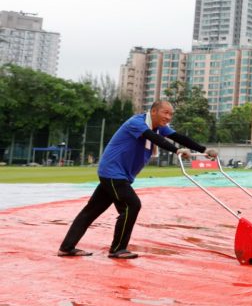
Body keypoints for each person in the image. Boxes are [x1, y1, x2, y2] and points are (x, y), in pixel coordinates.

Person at [58, 100, 216, 259]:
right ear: (153, 111)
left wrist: (204, 150)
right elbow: (153, 138)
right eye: (165, 113)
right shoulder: (137, 122)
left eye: (171, 114)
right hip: (113, 172)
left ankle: (66, 247)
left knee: (90, 211)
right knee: (131, 205)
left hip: (119, 175)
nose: (168, 117)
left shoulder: (160, 127)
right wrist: (176, 150)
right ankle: (118, 249)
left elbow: (179, 137)